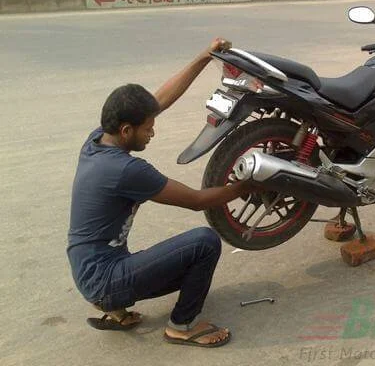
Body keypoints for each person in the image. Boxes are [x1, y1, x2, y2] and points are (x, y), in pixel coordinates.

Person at [67, 38, 260, 347]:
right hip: (104, 279)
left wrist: (203, 58)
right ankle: (181, 325)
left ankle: (112, 305)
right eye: (147, 128)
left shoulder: (96, 142)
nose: (153, 132)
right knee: (204, 243)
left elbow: (158, 100)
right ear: (127, 130)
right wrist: (247, 186)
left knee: (186, 261)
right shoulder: (126, 170)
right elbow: (197, 201)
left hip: (89, 272)